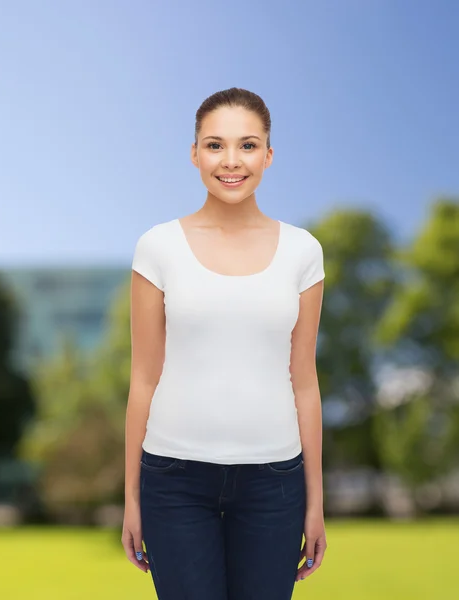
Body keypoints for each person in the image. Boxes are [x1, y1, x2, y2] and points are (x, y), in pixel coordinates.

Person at [122, 87, 327, 600]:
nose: (231, 161)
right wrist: (131, 498)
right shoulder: (158, 246)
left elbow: (304, 382)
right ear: (194, 153)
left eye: (248, 145)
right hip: (173, 480)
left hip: (275, 482)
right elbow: (144, 378)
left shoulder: (303, 251)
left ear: (269, 156)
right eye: (215, 145)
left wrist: (315, 500)